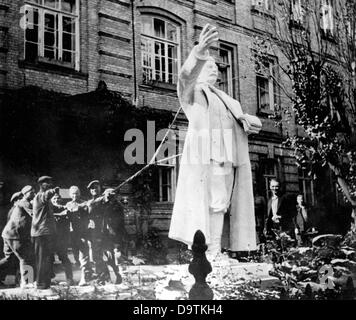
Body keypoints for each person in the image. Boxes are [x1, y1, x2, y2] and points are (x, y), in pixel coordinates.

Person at [168, 24, 262, 261]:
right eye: (207, 66)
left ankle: (216, 251)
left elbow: (249, 124)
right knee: (206, 204)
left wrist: (250, 121)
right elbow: (184, 78)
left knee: (220, 204)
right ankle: (207, 253)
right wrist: (199, 52)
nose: (213, 70)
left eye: (215, 67)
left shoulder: (229, 101)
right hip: (205, 159)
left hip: (227, 160)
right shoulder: (194, 95)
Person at [0, 185, 35, 288]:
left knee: (9, 258)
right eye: (31, 192)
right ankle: (27, 282)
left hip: (7, 234)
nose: (34, 194)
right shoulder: (24, 202)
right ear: (25, 194)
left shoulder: (20, 204)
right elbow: (35, 214)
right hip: (15, 235)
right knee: (25, 257)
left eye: (34, 192)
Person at [31, 176, 59, 290]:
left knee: (47, 258)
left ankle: (45, 283)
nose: (50, 184)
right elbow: (47, 195)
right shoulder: (39, 196)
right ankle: (41, 284)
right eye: (47, 183)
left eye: (51, 182)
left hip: (45, 233)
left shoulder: (45, 199)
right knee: (43, 259)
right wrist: (54, 190)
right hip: (41, 233)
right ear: (41, 185)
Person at [65, 186, 92, 286]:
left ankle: (84, 278)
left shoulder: (84, 203)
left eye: (76, 193)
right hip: (73, 234)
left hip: (83, 233)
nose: (75, 195)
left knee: (83, 256)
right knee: (76, 256)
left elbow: (88, 209)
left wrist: (80, 207)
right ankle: (88, 274)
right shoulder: (68, 204)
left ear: (79, 194)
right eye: (73, 194)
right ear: (70, 195)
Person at [52, 193, 73, 286]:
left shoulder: (65, 208)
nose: (56, 200)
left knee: (64, 257)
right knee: (49, 258)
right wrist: (59, 214)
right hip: (51, 238)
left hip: (62, 238)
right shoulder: (49, 208)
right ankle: (49, 279)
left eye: (58, 198)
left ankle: (69, 279)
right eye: (54, 199)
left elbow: (67, 213)